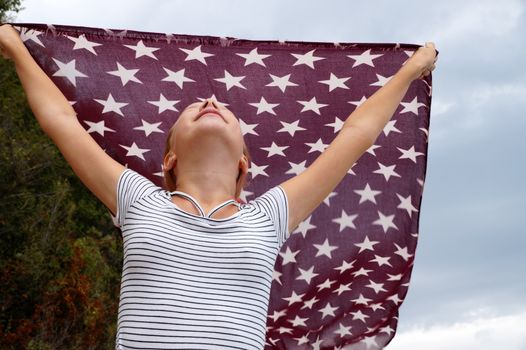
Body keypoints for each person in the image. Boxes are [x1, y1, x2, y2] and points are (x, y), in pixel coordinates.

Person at [0, 23, 438, 350]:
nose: (210, 102)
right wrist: (14, 47)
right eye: (196, 105)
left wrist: (410, 71)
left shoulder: (269, 216)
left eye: (221, 107)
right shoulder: (139, 200)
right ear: (168, 160)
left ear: (243, 166)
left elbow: (356, 136)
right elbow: (61, 123)